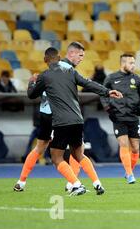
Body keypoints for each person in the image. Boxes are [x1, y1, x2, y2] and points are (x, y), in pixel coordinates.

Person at [27, 47, 123, 196]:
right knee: (79, 154)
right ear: (59, 58)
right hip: (78, 120)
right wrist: (107, 91)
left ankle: (76, 185)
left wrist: (32, 82)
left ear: (45, 60)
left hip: (61, 122)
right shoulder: (70, 71)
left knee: (56, 157)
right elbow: (88, 83)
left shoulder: (44, 76)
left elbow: (32, 95)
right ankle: (98, 184)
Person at [14, 42, 86, 192]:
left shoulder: (47, 72)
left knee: (39, 148)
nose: (81, 59)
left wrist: (32, 83)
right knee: (77, 148)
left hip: (45, 113)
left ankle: (21, 182)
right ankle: (74, 182)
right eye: (80, 56)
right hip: (58, 115)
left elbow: (36, 92)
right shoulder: (67, 69)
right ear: (69, 54)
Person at [100, 53, 140, 184]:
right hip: (118, 116)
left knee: (136, 148)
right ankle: (130, 174)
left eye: (134, 63)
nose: (133, 66)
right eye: (131, 63)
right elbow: (103, 94)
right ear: (123, 63)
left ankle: (129, 172)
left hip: (133, 117)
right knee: (124, 144)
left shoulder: (137, 79)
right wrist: (108, 109)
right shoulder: (111, 78)